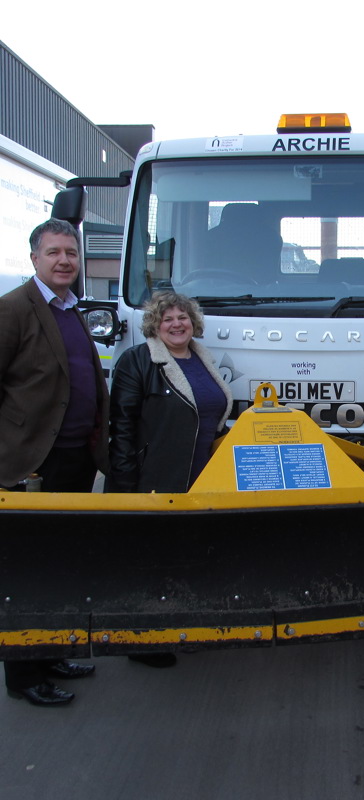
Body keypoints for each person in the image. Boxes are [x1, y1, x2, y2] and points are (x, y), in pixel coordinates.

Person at [0, 218, 109, 706]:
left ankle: (52, 653)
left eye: (71, 252)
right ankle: (24, 676)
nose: (64, 260)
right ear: (34, 258)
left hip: (74, 459)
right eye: (54, 253)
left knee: (62, 563)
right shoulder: (13, 310)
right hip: (33, 464)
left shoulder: (70, 309)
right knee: (32, 569)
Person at [106, 291, 233, 667]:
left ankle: (180, 627)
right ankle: (142, 642)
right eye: (168, 319)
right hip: (155, 479)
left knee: (185, 558)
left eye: (183, 317)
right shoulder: (138, 360)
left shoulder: (201, 358)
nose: (177, 324)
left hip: (200, 477)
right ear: (154, 326)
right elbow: (122, 426)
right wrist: (127, 485)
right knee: (151, 562)